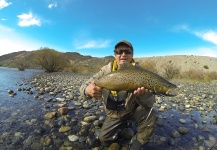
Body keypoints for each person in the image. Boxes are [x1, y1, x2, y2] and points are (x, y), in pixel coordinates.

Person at [80, 40, 157, 150]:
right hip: (114, 114)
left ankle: (139, 143)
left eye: (127, 51)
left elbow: (150, 103)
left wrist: (143, 95)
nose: (123, 55)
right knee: (104, 139)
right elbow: (83, 89)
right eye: (119, 51)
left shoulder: (142, 73)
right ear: (115, 54)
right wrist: (87, 90)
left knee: (150, 113)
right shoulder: (105, 71)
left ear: (132, 54)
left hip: (132, 111)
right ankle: (119, 128)